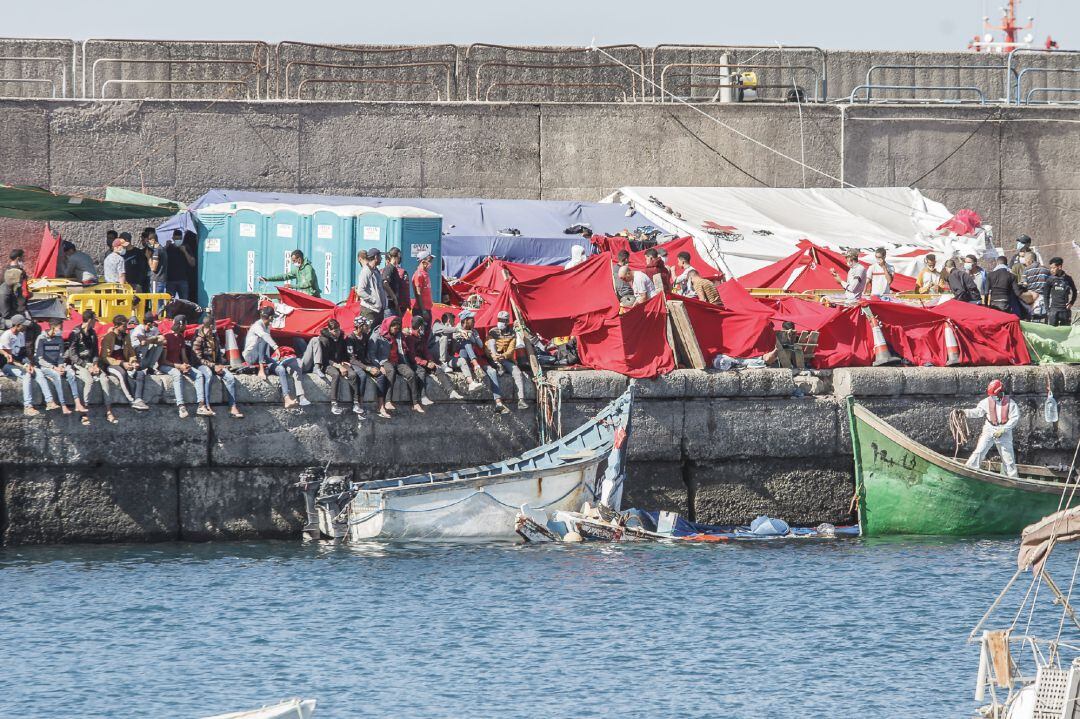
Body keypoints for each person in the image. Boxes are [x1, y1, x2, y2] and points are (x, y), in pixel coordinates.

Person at [0, 315, 58, 416]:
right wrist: (24, 366)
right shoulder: (6, 336)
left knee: (38, 372)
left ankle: (49, 401)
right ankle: (28, 406)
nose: (25, 327)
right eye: (23, 325)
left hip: (18, 363)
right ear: (17, 325)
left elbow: (22, 353)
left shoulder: (21, 335)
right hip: (6, 365)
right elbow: (8, 359)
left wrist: (29, 364)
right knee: (26, 375)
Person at [65, 310, 114, 425]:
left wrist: (95, 364)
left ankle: (108, 410)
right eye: (94, 320)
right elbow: (72, 355)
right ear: (90, 320)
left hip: (91, 362)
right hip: (79, 363)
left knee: (104, 379)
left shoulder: (93, 334)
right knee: (89, 381)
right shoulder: (75, 333)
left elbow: (96, 352)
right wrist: (86, 366)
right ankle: (84, 411)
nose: (95, 323)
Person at [191, 314, 244, 419]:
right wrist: (213, 366)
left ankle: (233, 406)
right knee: (209, 375)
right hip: (201, 365)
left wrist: (220, 365)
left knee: (230, 378)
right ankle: (206, 405)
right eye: (214, 324)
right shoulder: (198, 338)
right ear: (210, 326)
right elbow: (197, 359)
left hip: (215, 364)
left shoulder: (214, 336)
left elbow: (218, 353)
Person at [964, 379, 1019, 478]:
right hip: (989, 428)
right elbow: (978, 412)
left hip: (1004, 431)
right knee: (979, 450)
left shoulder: (1011, 404)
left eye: (994, 395)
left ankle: (1013, 479)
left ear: (1000, 392)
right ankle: (969, 471)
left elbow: (1014, 419)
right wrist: (964, 412)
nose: (993, 397)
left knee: (1008, 459)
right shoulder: (986, 402)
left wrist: (1003, 430)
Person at [98, 314, 150, 413]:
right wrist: (122, 363)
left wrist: (133, 361)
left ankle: (138, 399)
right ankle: (132, 400)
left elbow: (130, 352)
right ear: (116, 326)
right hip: (112, 365)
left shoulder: (126, 337)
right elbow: (105, 357)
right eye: (124, 326)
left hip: (125, 363)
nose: (126, 328)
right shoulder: (108, 338)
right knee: (122, 373)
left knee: (140, 373)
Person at [372, 316, 425, 414]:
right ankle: (387, 401)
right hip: (384, 361)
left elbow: (405, 344)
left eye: (398, 329)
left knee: (411, 374)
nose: (396, 331)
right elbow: (371, 353)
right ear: (389, 327)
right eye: (395, 328)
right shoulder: (377, 335)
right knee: (391, 372)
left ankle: (415, 403)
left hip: (398, 360)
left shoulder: (399, 335)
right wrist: (379, 365)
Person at [405, 314, 462, 403]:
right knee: (421, 372)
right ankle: (423, 397)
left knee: (438, 369)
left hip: (423, 361)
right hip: (413, 363)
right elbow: (413, 357)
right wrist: (426, 363)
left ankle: (451, 391)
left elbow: (425, 351)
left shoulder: (421, 337)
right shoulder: (410, 338)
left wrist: (431, 361)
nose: (424, 328)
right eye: (423, 326)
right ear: (420, 327)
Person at [159, 315, 206, 418]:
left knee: (199, 374)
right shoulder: (166, 337)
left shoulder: (181, 337)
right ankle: (181, 406)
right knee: (177, 375)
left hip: (179, 365)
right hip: (166, 365)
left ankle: (201, 405)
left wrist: (186, 365)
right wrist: (179, 366)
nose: (186, 326)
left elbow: (184, 356)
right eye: (185, 324)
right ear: (181, 324)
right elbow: (163, 361)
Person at [34, 318, 83, 416]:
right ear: (52, 328)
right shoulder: (41, 338)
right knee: (57, 376)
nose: (62, 329)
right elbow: (39, 359)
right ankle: (63, 404)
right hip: (45, 366)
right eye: (60, 328)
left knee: (71, 374)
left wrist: (61, 366)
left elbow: (61, 357)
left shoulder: (59, 338)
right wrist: (54, 368)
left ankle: (77, 402)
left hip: (57, 365)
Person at [344, 315, 387, 418]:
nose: (368, 327)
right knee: (362, 376)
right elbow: (352, 359)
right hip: (355, 363)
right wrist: (367, 368)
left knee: (380, 375)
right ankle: (360, 405)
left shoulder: (366, 336)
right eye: (366, 325)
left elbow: (370, 353)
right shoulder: (350, 339)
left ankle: (381, 406)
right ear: (360, 326)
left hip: (365, 362)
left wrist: (377, 366)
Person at [485, 310, 528, 410]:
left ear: (507, 321)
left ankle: (521, 400)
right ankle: (497, 365)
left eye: (503, 320)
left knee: (517, 372)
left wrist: (503, 356)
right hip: (493, 357)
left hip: (505, 358)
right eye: (499, 320)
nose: (501, 322)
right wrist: (493, 355)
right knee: (491, 342)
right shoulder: (493, 331)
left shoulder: (512, 334)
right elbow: (487, 346)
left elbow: (511, 349)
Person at [314, 319, 355, 415]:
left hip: (340, 362)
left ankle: (355, 403)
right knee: (336, 374)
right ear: (329, 330)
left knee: (353, 374)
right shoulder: (323, 340)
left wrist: (345, 361)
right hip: (328, 364)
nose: (337, 332)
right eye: (335, 330)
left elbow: (343, 352)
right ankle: (334, 403)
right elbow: (324, 358)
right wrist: (338, 366)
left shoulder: (341, 337)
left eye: (338, 330)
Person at [268, 344, 309, 409]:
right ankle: (301, 397)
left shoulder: (289, 354)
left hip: (287, 362)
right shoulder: (279, 351)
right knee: (296, 369)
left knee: (296, 371)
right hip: (285, 361)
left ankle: (301, 397)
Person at [242, 306, 278, 380]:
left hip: (261, 356)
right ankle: (261, 370)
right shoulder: (257, 325)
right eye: (273, 317)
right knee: (263, 337)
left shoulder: (267, 327)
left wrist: (268, 359)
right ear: (270, 317)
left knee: (277, 366)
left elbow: (266, 346)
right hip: (250, 356)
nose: (273, 319)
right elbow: (264, 337)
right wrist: (276, 347)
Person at [1044, 257, 1077, 327]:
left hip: (1065, 311)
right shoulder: (1050, 279)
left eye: (1053, 268)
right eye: (1050, 268)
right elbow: (1045, 295)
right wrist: (1047, 310)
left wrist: (1071, 303)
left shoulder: (1068, 279)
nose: (1051, 270)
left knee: (1065, 332)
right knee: (1053, 333)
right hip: (1053, 311)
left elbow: (1074, 291)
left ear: (1059, 267)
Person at [355, 249, 386, 325]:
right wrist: (373, 300)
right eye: (380, 257)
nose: (381, 259)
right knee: (368, 334)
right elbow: (360, 291)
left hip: (378, 310)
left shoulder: (376, 271)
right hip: (369, 311)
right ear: (375, 257)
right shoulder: (366, 271)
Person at [1021, 251, 1051, 322]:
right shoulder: (1046, 269)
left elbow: (1024, 285)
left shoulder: (1026, 270)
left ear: (1030, 260)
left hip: (1033, 300)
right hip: (1045, 299)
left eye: (1026, 260)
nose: (1025, 262)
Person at [165, 229, 194, 301]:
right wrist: (165, 247)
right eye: (176, 239)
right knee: (169, 302)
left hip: (183, 279)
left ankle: (184, 312)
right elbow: (160, 259)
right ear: (173, 238)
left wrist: (185, 252)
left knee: (185, 301)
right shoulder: (169, 248)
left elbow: (193, 263)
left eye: (180, 239)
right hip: (170, 280)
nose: (178, 240)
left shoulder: (186, 247)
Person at [381, 247, 410, 316]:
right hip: (389, 306)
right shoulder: (389, 268)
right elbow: (385, 283)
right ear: (398, 256)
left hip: (394, 306)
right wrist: (393, 297)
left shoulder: (394, 269)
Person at [145, 229, 168, 310]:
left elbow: (153, 268)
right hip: (162, 279)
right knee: (160, 301)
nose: (148, 244)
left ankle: (156, 319)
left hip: (156, 280)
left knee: (155, 301)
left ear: (153, 240)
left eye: (149, 241)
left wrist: (148, 258)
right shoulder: (163, 249)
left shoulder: (157, 251)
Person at [411, 250, 434, 326]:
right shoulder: (419, 274)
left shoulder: (425, 274)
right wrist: (423, 311)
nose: (431, 263)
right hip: (420, 310)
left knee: (426, 334)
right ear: (423, 262)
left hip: (426, 309)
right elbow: (418, 294)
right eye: (429, 260)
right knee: (421, 334)